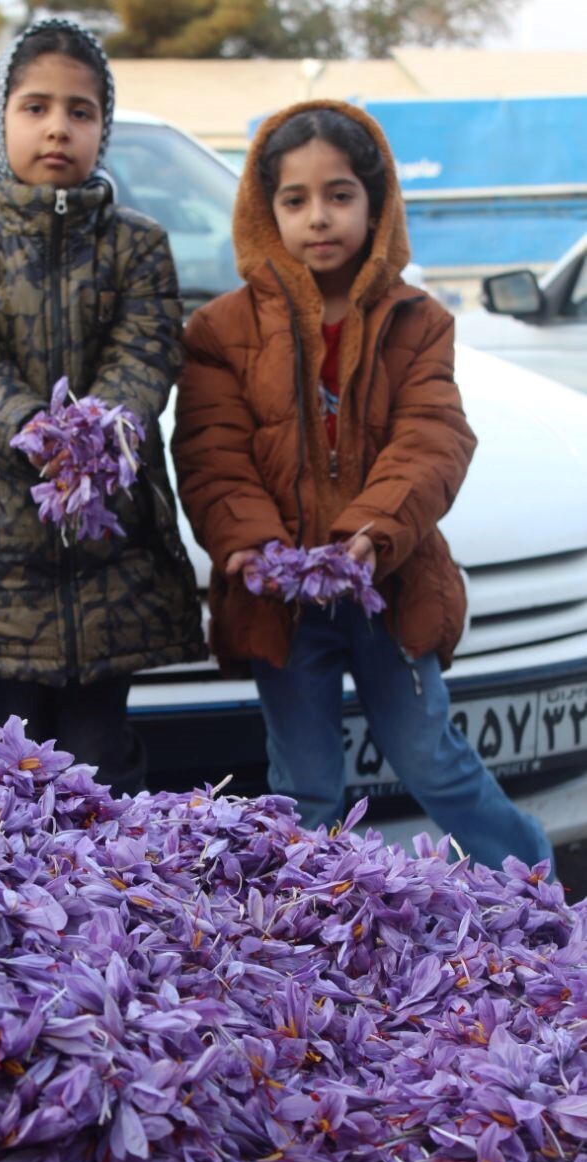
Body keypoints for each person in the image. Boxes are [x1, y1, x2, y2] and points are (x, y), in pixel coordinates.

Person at [172, 99, 554, 873]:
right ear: (262, 210)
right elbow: (211, 454)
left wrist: (373, 532)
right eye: (295, 199)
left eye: (339, 195)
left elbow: (433, 438)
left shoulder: (419, 322)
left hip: (391, 586)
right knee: (303, 786)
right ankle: (308, 919)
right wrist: (246, 545)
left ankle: (534, 886)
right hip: (279, 605)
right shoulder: (218, 331)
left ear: (375, 205)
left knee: (432, 759)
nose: (319, 217)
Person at [0, 17, 205, 794]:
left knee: (101, 762)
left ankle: (114, 909)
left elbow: (146, 354)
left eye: (80, 111)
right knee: (12, 764)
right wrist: (33, 431)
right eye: (34, 107)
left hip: (114, 552)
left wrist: (98, 435)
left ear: (101, 130)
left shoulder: (137, 246)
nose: (57, 128)